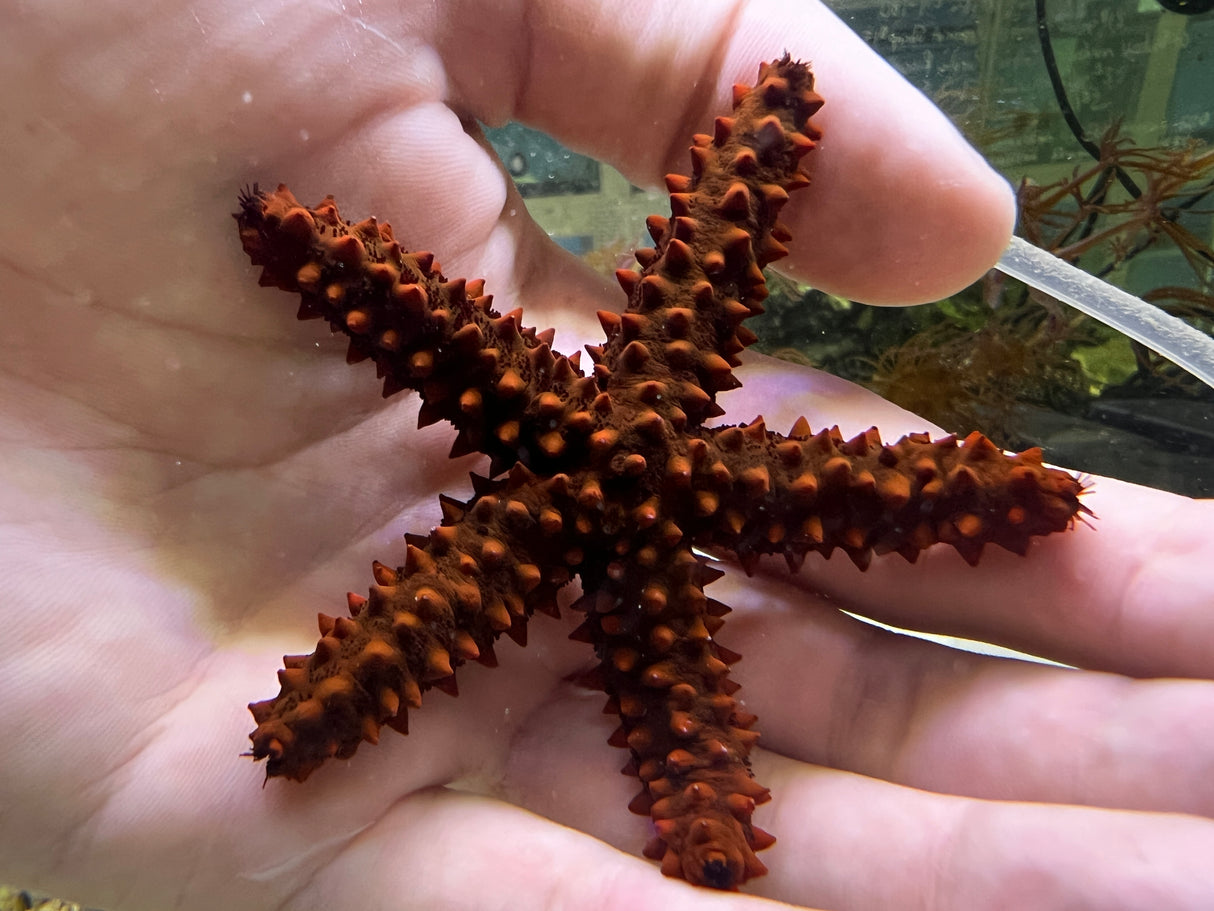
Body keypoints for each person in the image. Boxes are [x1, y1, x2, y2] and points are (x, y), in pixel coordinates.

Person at [2, 1, 1212, 909]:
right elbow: (716, 217)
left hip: (592, 513)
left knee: (447, 673)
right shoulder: (617, 441)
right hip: (610, 510)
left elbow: (418, 299)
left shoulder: (565, 448)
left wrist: (293, 233)